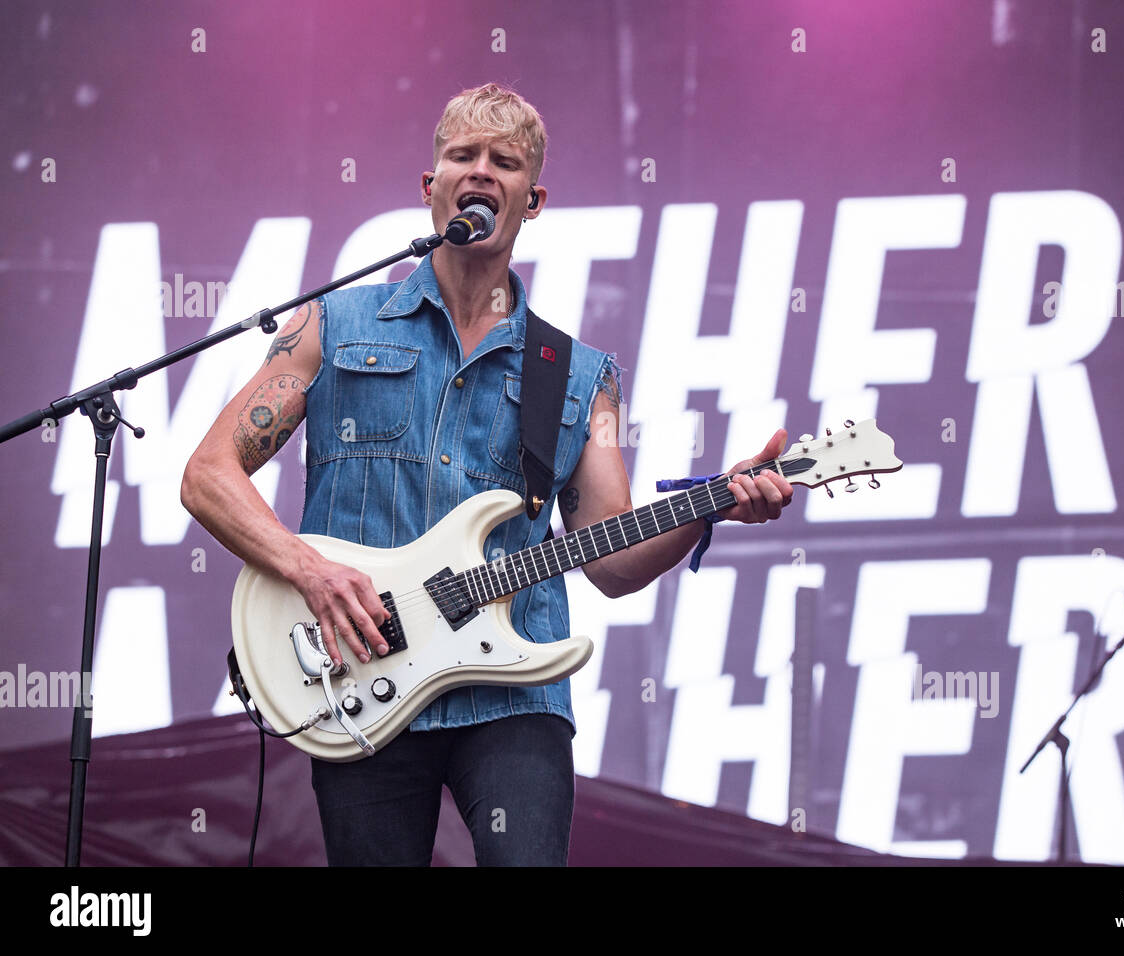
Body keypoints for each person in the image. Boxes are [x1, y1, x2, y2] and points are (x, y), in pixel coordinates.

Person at [181, 82, 794, 866]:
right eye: (462, 155)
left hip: (514, 695)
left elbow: (608, 559)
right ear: (429, 188)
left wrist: (710, 508)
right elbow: (207, 473)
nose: (480, 170)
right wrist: (313, 570)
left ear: (532, 201)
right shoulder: (330, 326)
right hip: (358, 674)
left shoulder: (579, 377)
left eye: (504, 162)